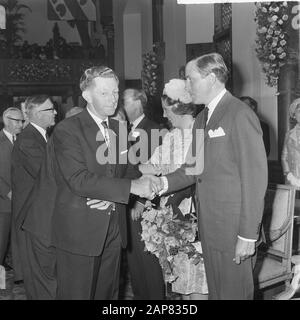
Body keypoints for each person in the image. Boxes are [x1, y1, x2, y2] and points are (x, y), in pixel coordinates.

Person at [151, 53, 268, 300]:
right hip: (209, 226)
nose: (187, 86)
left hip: (234, 229)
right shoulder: (203, 117)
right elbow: (192, 168)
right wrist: (160, 183)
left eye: (191, 79)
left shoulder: (239, 113)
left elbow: (255, 179)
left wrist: (248, 235)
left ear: (212, 78)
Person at [49, 66, 156, 300]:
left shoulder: (118, 128)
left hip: (114, 228)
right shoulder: (67, 129)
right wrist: (132, 188)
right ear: (87, 95)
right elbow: (78, 179)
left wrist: (119, 193)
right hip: (80, 231)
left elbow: (127, 170)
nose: (113, 99)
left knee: (107, 294)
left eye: (116, 92)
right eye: (104, 93)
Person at [139, 79, 208, 300]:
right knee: (181, 283)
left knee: (196, 281)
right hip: (171, 214)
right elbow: (152, 164)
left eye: (167, 110)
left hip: (193, 214)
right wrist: (122, 169)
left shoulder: (200, 134)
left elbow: (192, 175)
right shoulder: (171, 136)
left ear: (179, 109)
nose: (164, 114)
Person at [11, 95, 57, 298]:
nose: (55, 112)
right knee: (40, 278)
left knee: (45, 274)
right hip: (34, 217)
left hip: (42, 216)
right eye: (50, 109)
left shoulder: (42, 136)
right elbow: (48, 175)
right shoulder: (28, 139)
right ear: (38, 114)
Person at [123, 88, 165, 300]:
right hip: (126, 199)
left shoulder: (152, 129)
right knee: (134, 258)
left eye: (124, 101)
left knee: (147, 255)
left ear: (137, 104)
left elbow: (153, 169)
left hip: (144, 203)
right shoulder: (125, 128)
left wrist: (140, 201)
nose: (120, 105)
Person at [0, 108, 24, 270]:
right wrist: (6, 191)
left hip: (21, 199)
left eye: (22, 121)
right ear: (7, 121)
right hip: (4, 202)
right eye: (17, 121)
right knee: (1, 241)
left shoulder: (21, 140)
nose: (21, 125)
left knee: (17, 240)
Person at [282, 98, 300, 187]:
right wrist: (288, 174)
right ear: (294, 115)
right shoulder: (289, 134)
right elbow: (284, 156)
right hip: (293, 178)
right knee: (293, 201)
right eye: (299, 111)